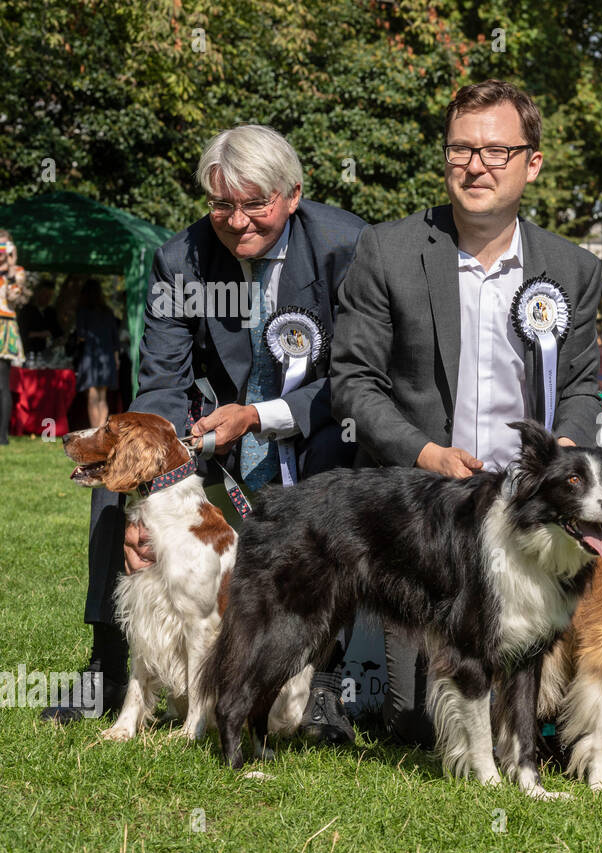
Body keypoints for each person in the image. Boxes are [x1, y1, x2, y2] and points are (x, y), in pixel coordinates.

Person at [43, 126, 366, 739]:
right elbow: (162, 383)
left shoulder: (347, 247)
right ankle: (108, 667)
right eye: (222, 204)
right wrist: (150, 487)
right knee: (112, 484)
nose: (237, 221)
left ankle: (323, 682)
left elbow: (354, 377)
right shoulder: (179, 259)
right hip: (209, 446)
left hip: (316, 432)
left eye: (255, 204)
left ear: (293, 195)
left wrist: (260, 415)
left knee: (342, 461)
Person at [331, 79, 602, 746]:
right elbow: (352, 382)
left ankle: (535, 727)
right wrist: (426, 455)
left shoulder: (572, 268)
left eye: (496, 151)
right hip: (427, 508)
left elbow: (581, 387)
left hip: (524, 511)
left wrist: (564, 460)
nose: (475, 165)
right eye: (460, 149)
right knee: (419, 724)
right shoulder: (386, 251)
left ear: (532, 163)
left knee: (527, 717)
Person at [71, 278, 120, 428]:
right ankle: (100, 429)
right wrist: (116, 359)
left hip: (90, 356)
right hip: (107, 357)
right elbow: (115, 338)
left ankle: (95, 430)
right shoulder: (108, 312)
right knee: (102, 397)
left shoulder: (83, 312)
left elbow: (81, 335)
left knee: (92, 395)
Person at [0, 231, 30, 446]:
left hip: (4, 327)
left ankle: (2, 436)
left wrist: (11, 266)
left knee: (2, 383)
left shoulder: (17, 272)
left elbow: (14, 297)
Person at [18, 279, 61, 355]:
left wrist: (50, 333)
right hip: (28, 351)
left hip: (45, 352)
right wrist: (40, 334)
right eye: (45, 294)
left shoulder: (51, 312)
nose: (48, 298)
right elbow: (22, 332)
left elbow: (58, 331)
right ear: (38, 293)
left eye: (50, 295)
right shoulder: (26, 310)